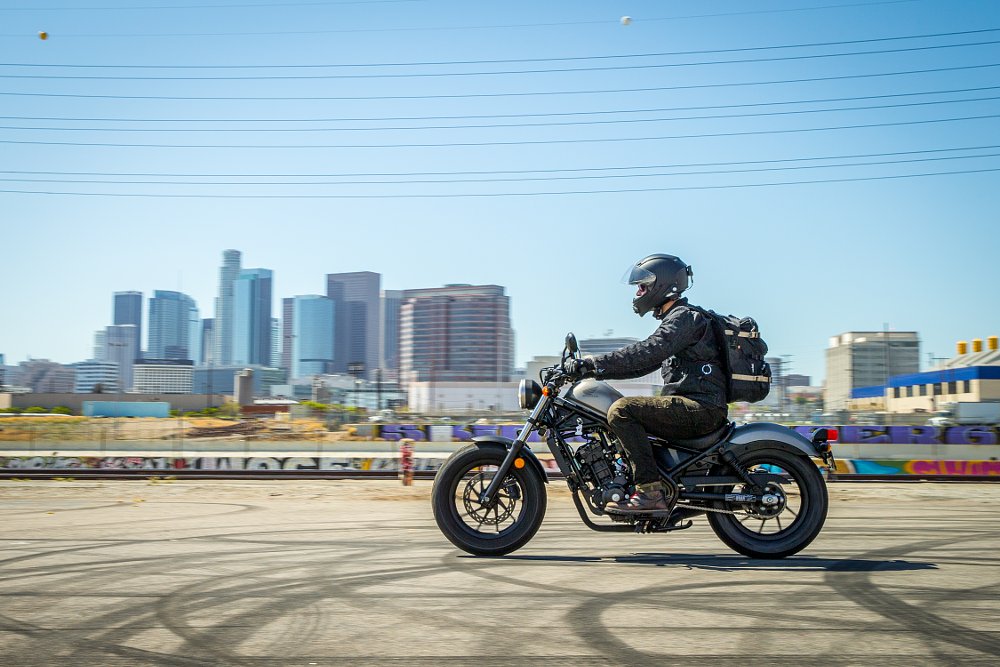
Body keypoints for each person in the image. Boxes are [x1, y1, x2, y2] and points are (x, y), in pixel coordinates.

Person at [563, 254, 729, 513]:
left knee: (622, 410)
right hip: (694, 406)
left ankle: (650, 493)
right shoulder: (678, 319)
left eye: (643, 286)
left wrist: (592, 363)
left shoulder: (684, 318)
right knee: (620, 407)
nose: (638, 293)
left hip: (700, 408)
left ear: (662, 285)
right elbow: (642, 365)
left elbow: (647, 351)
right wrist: (592, 372)